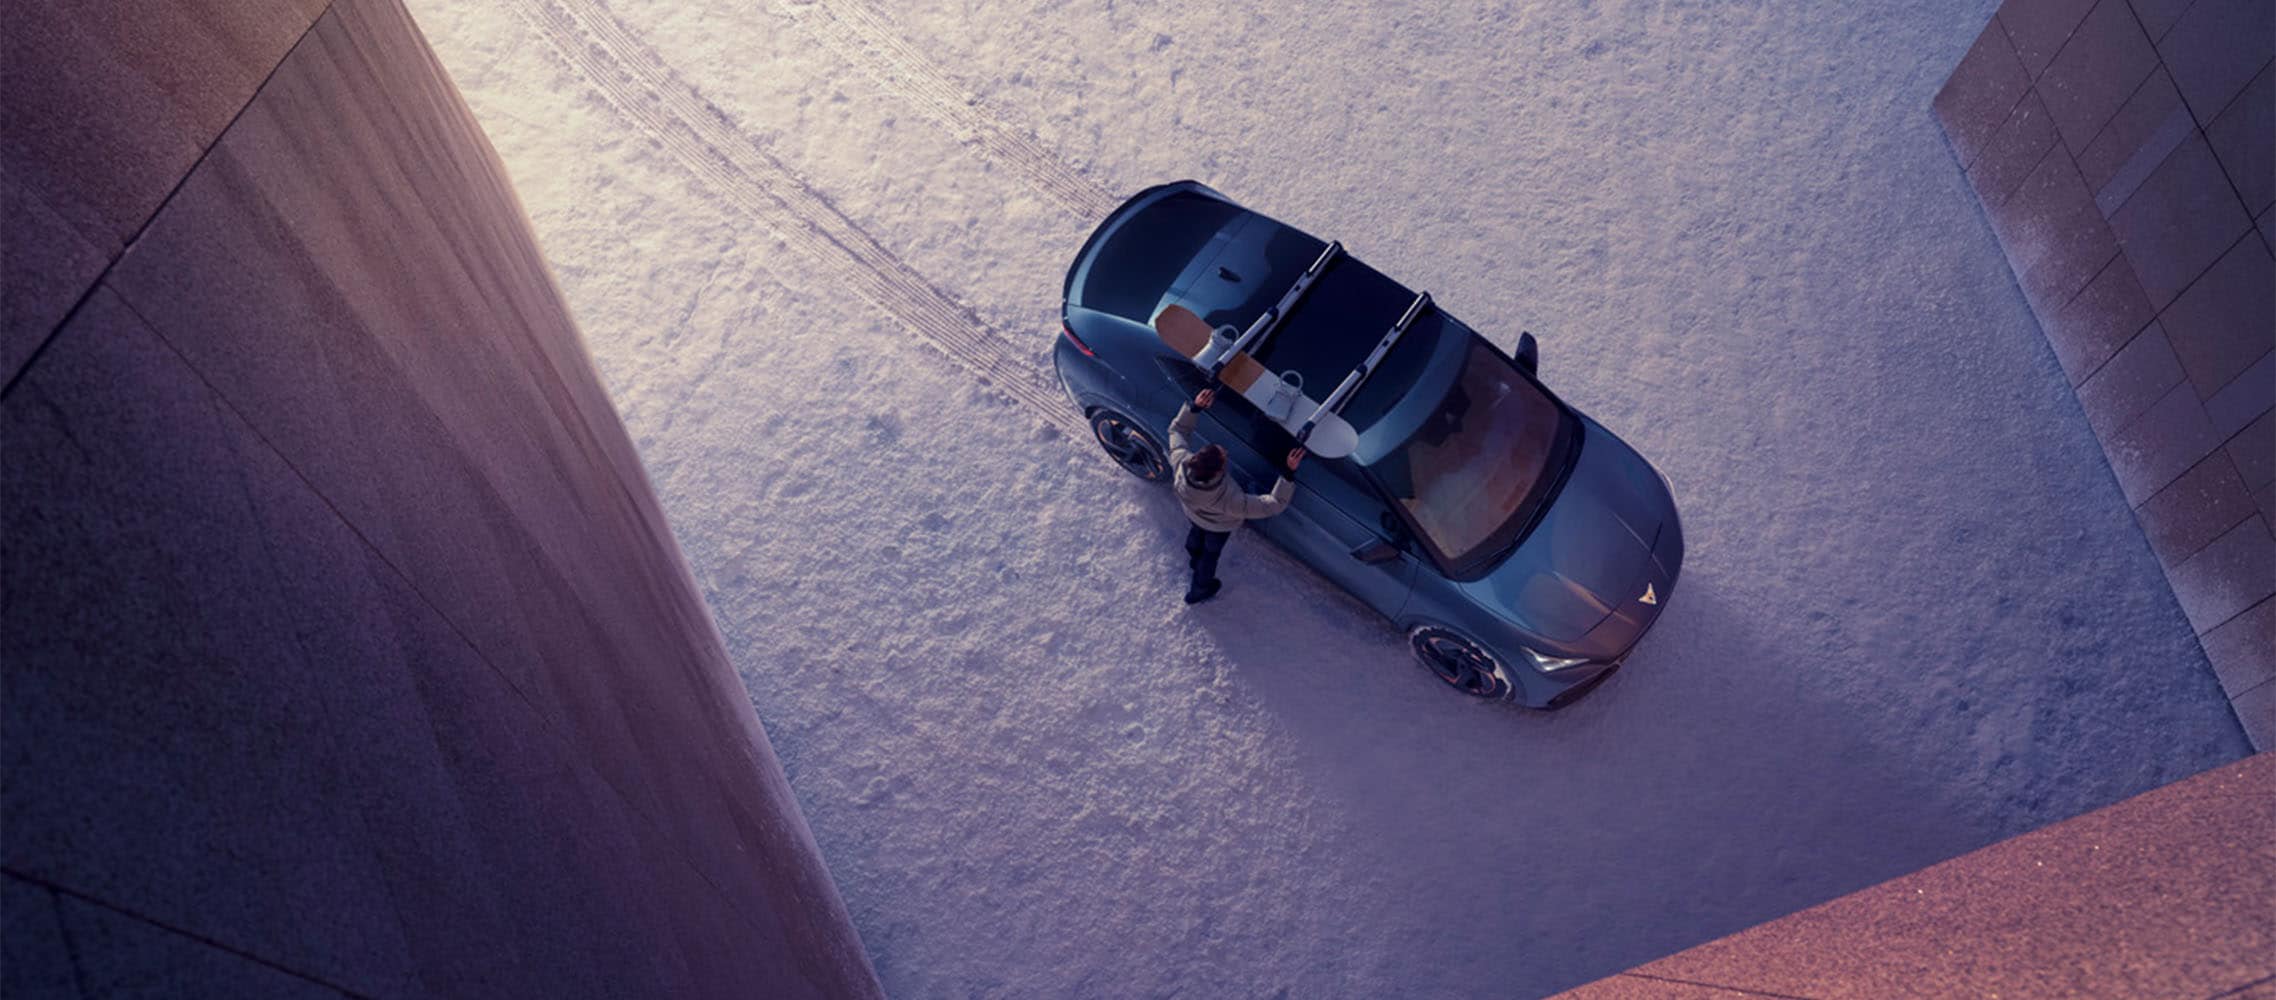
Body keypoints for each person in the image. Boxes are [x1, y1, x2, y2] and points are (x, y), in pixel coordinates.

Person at [1168, 388, 1306, 604]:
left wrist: (1195, 407)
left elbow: (1177, 431)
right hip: (1218, 527)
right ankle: (1200, 589)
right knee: (1210, 554)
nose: (1225, 453)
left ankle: (1193, 556)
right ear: (1216, 473)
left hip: (1193, 513)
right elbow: (1273, 504)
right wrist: (1288, 472)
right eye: (1224, 459)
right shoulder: (1230, 501)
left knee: (1196, 534)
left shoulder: (1181, 462)